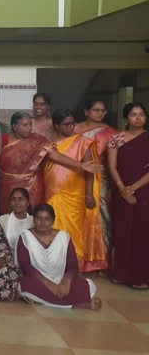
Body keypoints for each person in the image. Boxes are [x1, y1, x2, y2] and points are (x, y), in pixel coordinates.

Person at [0, 112, 100, 214]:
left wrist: (81, 165)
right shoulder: (3, 140)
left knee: (32, 215)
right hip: (7, 186)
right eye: (25, 125)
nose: (29, 128)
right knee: (7, 217)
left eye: (30, 124)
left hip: (32, 186)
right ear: (14, 127)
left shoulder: (37, 140)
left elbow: (56, 156)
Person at [45, 109, 106, 273]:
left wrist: (89, 194)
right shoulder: (48, 143)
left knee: (74, 229)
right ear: (56, 125)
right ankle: (54, 264)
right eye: (66, 124)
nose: (71, 127)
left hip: (75, 194)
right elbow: (55, 157)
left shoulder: (82, 142)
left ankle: (75, 265)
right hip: (54, 192)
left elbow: (89, 170)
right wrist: (80, 165)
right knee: (53, 226)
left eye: (73, 123)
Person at [17, 204, 101, 309]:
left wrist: (66, 282)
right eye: (39, 218)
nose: (42, 223)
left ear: (53, 220)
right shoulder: (25, 236)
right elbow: (26, 267)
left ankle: (47, 300)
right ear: (33, 219)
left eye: (47, 219)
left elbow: (73, 266)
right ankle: (78, 304)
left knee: (90, 285)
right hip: (38, 280)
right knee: (24, 285)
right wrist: (48, 283)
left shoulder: (64, 237)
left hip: (60, 280)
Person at [107, 102, 149, 289]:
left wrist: (133, 188)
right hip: (120, 190)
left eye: (141, 114)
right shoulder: (116, 139)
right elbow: (112, 167)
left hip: (144, 190)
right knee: (122, 231)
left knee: (142, 232)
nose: (138, 118)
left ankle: (140, 277)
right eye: (133, 114)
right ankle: (120, 274)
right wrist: (122, 189)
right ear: (126, 118)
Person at [74, 99, 118, 255]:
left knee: (101, 215)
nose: (100, 113)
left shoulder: (111, 133)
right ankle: (80, 255)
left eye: (103, 110)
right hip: (76, 177)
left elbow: (115, 163)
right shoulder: (74, 129)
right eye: (96, 110)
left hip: (101, 179)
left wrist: (112, 187)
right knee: (78, 216)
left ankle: (101, 256)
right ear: (86, 111)